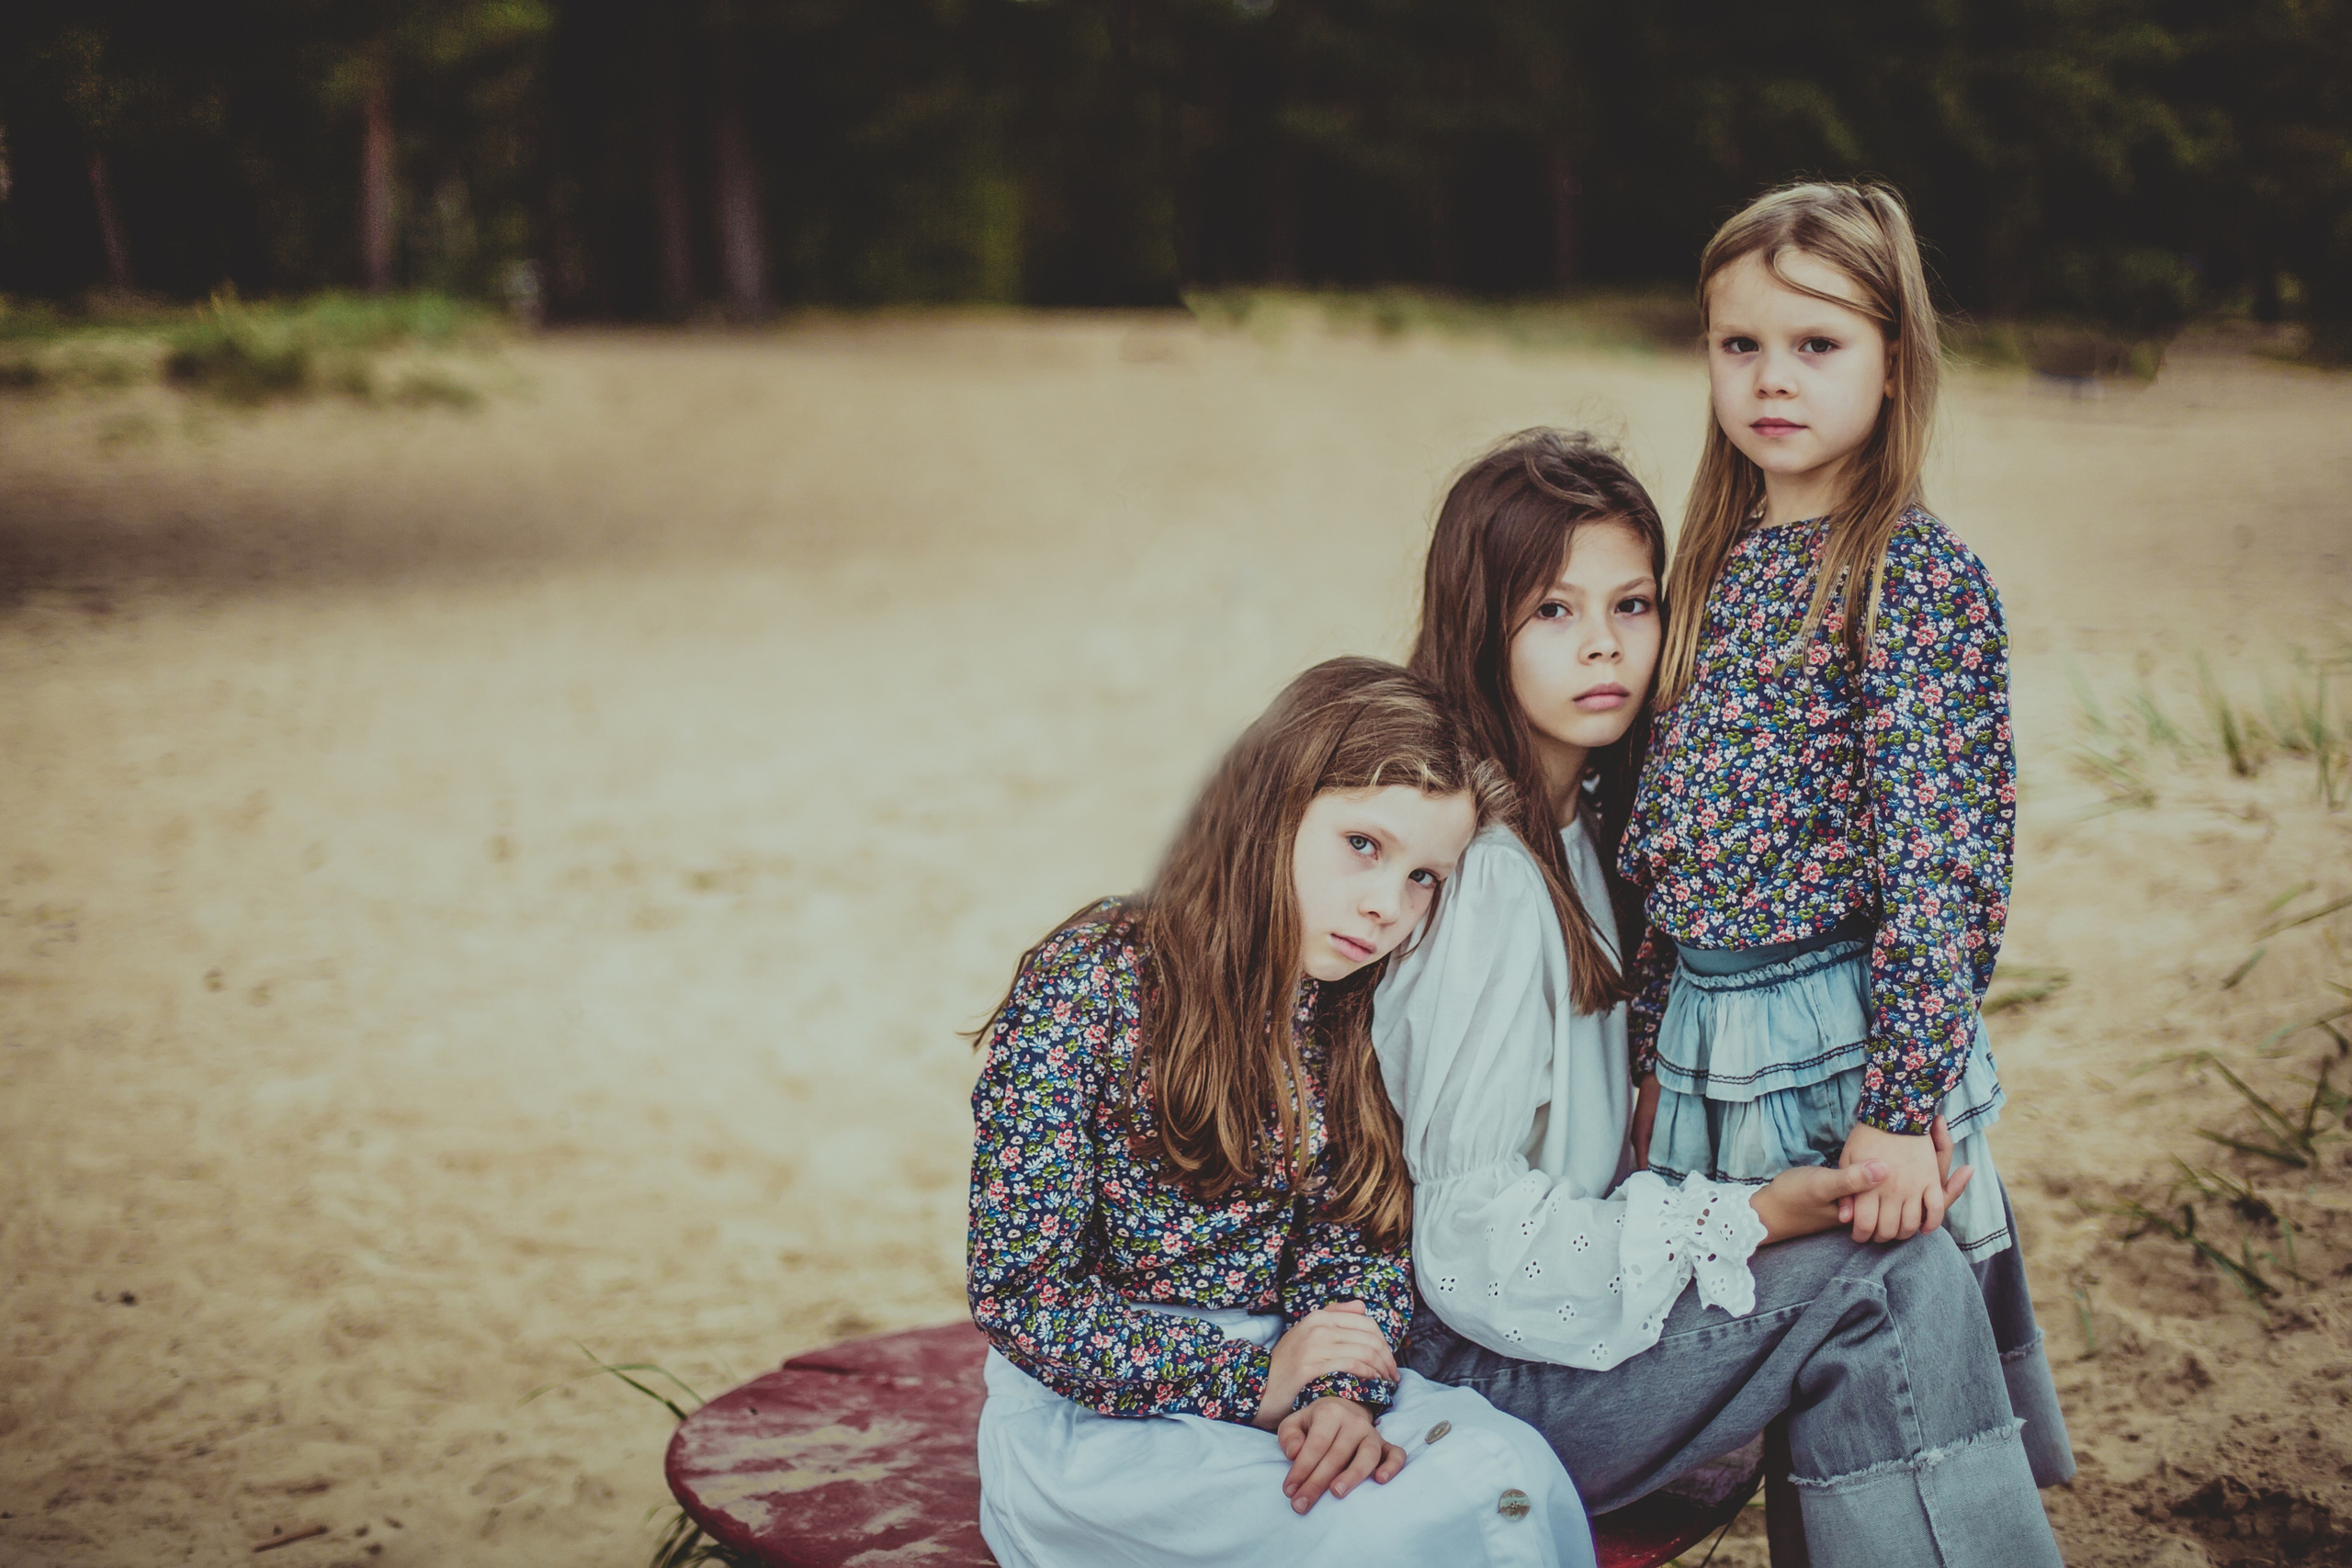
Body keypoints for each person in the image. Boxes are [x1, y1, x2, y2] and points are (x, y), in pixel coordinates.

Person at [1375, 424, 2067, 1568]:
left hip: (1558, 1323)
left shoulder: (1591, 828)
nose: (1601, 646)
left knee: (1890, 1247)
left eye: (1633, 605)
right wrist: (1759, 1215)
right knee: (1881, 1280)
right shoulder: (1488, 877)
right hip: (1478, 1377)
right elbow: (1472, 1243)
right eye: (1551, 611)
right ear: (1476, 625)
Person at [1621, 181, 2071, 1474]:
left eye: (1818, 345)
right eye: (1740, 344)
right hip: (1715, 1039)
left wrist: (1898, 1099)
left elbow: (1946, 861)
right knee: (1769, 1366)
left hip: (1840, 1041)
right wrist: (1654, 1049)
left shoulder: (1909, 575)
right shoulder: (1703, 563)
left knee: (1879, 1384)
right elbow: (1666, 843)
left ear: (1892, 363)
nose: (1774, 378)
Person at [967, 657, 1595, 1568]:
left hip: (1295, 1366)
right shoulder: (1093, 976)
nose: (1387, 906)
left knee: (1508, 1475)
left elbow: (1354, 1236)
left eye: (1425, 877)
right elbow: (1020, 1292)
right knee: (1382, 1528)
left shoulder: (1345, 1004)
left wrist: (1334, 1387)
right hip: (1098, 1417)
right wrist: (1254, 1379)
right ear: (1274, 804)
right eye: (1364, 845)